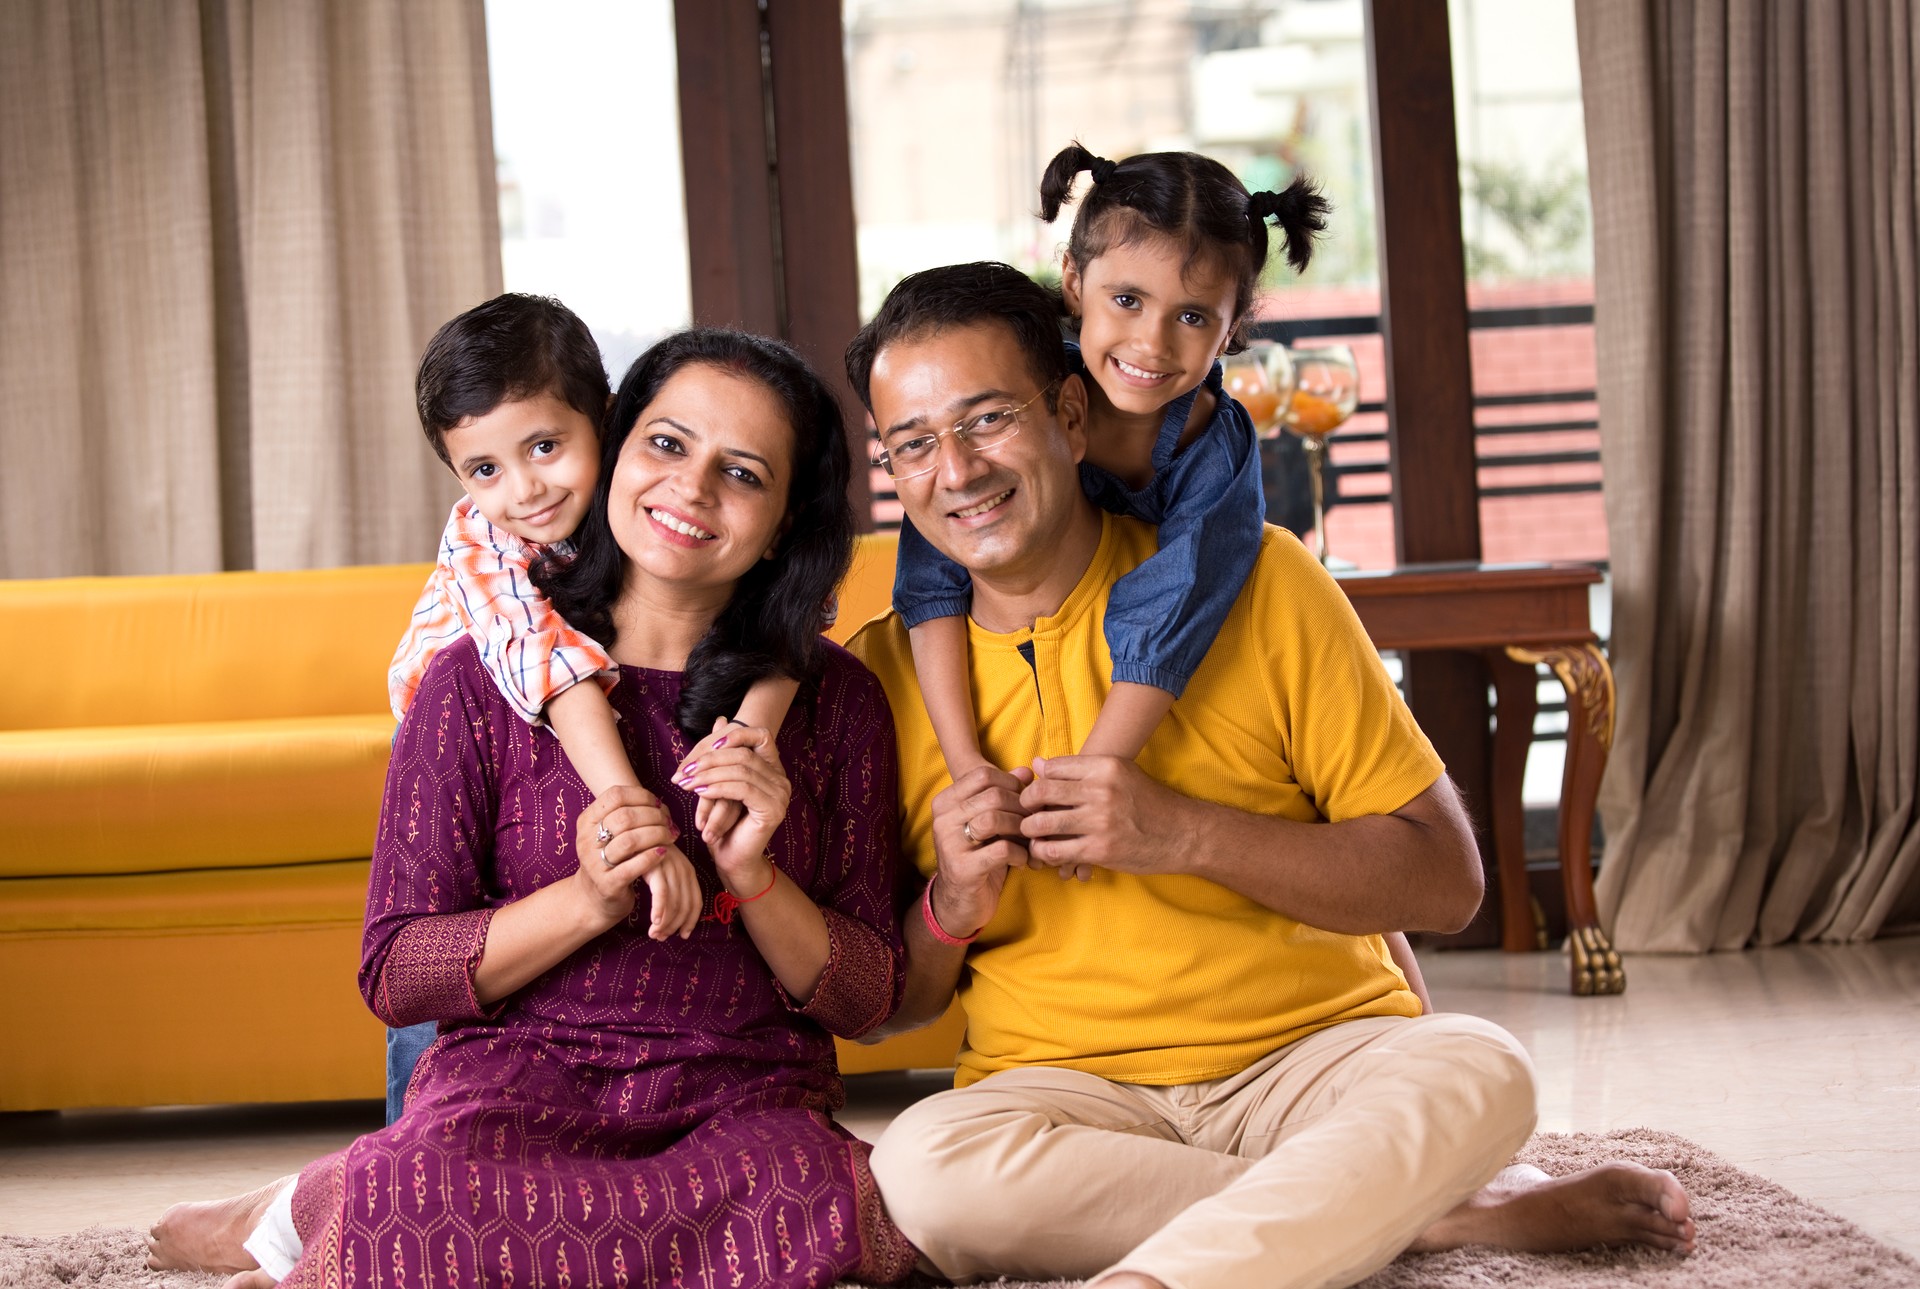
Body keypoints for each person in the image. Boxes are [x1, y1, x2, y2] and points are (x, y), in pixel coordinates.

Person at [843, 262, 1697, 1289]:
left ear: (1071, 412)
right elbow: (891, 1007)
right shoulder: (879, 674)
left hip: (1315, 1060)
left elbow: (1445, 878)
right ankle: (1427, 1216)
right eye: (915, 444)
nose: (958, 469)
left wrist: (1179, 832)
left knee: (1483, 1068)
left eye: (985, 421)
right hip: (1062, 1091)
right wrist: (951, 898)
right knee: (921, 1168)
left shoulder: (1265, 580)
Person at [147, 329, 917, 1289]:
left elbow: (868, 996)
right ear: (615, 443)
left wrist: (757, 878)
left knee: (826, 1203)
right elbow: (397, 973)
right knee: (416, 1198)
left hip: (740, 1105)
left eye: (744, 473)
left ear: (787, 516)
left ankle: (314, 1205)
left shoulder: (836, 701)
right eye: (667, 445)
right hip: (513, 1096)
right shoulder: (475, 678)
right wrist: (590, 898)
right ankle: (331, 1199)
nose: (690, 489)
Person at [888, 144, 1432, 1001]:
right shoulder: (1017, 411)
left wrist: (1096, 776)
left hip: (1155, 657)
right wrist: (967, 766)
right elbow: (931, 575)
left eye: (1192, 317)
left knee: (1333, 836)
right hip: (1040, 610)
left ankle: (1399, 999)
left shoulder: (1211, 450)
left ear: (1235, 327)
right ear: (1075, 283)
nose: (1149, 343)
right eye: (1127, 300)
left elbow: (1177, 605)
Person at [379, 294, 804, 1121]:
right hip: (476, 734)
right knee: (436, 1028)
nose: (526, 489)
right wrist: (636, 820)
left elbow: (791, 624)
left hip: (573, 729)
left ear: (605, 420)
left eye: (545, 446)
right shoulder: (486, 540)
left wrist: (752, 735)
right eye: (485, 469)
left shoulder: (649, 496)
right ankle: (382, 1163)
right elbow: (554, 670)